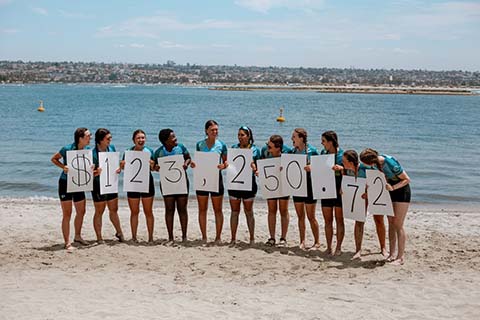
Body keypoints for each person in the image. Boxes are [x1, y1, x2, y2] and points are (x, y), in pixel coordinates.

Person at [360, 148, 411, 265]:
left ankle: (400, 257)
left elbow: (407, 179)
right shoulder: (374, 165)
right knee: (391, 223)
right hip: (389, 191)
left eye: (366, 163)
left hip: (401, 191)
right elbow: (376, 181)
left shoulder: (389, 162)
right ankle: (392, 254)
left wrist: (393, 188)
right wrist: (368, 193)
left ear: (371, 160)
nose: (366, 166)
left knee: (398, 224)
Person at [51, 127, 92, 251]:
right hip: (65, 183)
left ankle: (78, 236)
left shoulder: (88, 150)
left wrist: (92, 168)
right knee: (67, 214)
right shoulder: (67, 149)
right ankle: (67, 242)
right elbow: (54, 159)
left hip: (79, 184)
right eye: (88, 136)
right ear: (80, 138)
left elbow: (89, 169)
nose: (90, 138)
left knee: (81, 211)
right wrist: (63, 167)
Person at [341, 150, 387, 260]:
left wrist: (369, 192)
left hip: (372, 195)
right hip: (360, 197)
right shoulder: (348, 171)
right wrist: (342, 189)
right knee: (359, 220)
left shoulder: (366, 168)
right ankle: (358, 250)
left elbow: (379, 180)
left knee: (379, 220)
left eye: (344, 161)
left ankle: (383, 248)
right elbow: (346, 182)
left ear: (351, 162)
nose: (342, 163)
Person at [191, 120, 228, 243]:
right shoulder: (199, 144)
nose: (215, 132)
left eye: (216, 129)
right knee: (202, 209)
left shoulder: (221, 145)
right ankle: (204, 237)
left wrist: (224, 166)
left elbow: (226, 162)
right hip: (202, 179)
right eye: (212, 130)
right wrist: (193, 164)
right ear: (206, 131)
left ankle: (218, 237)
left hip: (216, 179)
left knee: (218, 210)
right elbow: (197, 160)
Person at [154, 128, 191, 243]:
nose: (176, 139)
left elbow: (188, 158)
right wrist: (156, 168)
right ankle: (170, 237)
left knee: (182, 209)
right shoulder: (159, 152)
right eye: (173, 137)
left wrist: (186, 164)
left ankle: (184, 236)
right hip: (167, 184)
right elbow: (153, 165)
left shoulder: (181, 147)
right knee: (169, 210)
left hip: (182, 182)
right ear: (166, 141)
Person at [91, 128, 125, 244]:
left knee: (114, 209)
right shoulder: (93, 153)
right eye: (108, 138)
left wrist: (118, 168)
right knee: (99, 211)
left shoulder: (112, 149)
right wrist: (96, 172)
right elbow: (87, 173)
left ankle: (119, 232)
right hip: (98, 185)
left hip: (111, 183)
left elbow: (114, 165)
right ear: (100, 140)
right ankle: (99, 237)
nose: (110, 140)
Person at [227, 126, 261, 245]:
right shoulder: (234, 148)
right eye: (239, 135)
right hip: (235, 184)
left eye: (242, 135)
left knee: (248, 211)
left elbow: (259, 168)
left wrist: (255, 169)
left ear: (249, 136)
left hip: (249, 184)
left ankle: (252, 238)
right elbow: (230, 164)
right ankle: (233, 238)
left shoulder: (255, 150)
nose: (240, 137)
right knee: (234, 211)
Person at [121, 129, 155, 243]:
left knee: (148, 211)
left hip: (147, 183)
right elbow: (122, 168)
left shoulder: (149, 151)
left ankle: (150, 237)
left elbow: (155, 168)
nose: (141, 140)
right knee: (134, 212)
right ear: (134, 140)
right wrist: (122, 165)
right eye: (138, 138)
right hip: (133, 184)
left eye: (143, 138)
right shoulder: (127, 152)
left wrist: (153, 164)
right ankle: (134, 237)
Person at [290, 128, 321, 250]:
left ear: (301, 138)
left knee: (311, 216)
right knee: (300, 216)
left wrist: (312, 167)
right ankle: (302, 241)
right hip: (297, 186)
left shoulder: (312, 151)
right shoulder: (293, 152)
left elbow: (321, 166)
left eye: (294, 137)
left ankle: (317, 241)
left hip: (309, 186)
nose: (292, 139)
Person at [260, 135, 291, 247]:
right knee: (271, 210)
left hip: (283, 183)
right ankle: (272, 237)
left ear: (278, 148)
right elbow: (261, 164)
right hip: (270, 183)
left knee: (283, 210)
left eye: (270, 146)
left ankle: (283, 238)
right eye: (267, 145)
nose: (268, 148)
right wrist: (259, 172)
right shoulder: (264, 151)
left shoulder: (288, 152)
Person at [320, 131, 345, 256]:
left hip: (339, 191)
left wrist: (342, 169)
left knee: (339, 220)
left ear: (331, 142)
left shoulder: (342, 155)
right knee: (327, 220)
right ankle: (329, 247)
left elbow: (352, 172)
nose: (321, 143)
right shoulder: (322, 154)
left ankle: (338, 247)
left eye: (323, 141)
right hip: (326, 190)